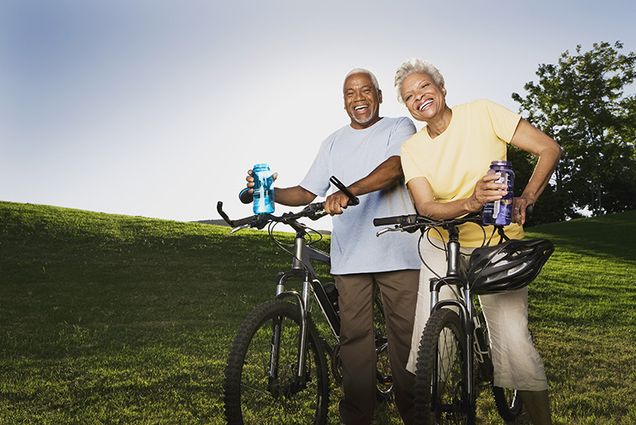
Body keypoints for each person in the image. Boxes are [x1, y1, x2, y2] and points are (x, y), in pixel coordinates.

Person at [244, 69, 421, 425]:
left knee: (406, 341)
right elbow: (306, 193)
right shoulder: (332, 142)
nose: (359, 98)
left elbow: (394, 169)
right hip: (350, 256)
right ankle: (357, 418)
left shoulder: (399, 127)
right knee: (354, 341)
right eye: (351, 93)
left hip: (397, 250)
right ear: (344, 102)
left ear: (379, 96)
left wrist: (348, 191)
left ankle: (417, 417)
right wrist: (266, 192)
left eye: (366, 91)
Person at [394, 58, 561, 425]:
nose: (419, 97)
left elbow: (549, 148)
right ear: (407, 107)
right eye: (409, 96)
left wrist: (527, 197)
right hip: (441, 244)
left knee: (514, 344)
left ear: (441, 87)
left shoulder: (483, 112)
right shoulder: (412, 149)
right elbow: (426, 206)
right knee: (433, 344)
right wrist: (471, 201)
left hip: (497, 242)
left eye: (424, 87)